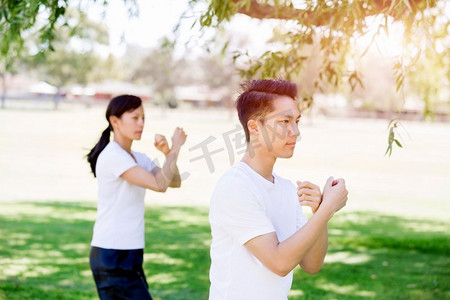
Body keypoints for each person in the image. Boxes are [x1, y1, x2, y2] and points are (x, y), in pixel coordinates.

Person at [208, 79, 348, 300]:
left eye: (297, 121)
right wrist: (327, 209)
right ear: (254, 127)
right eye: (285, 121)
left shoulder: (285, 188)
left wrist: (319, 212)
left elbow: (312, 265)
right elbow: (279, 262)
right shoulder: (236, 187)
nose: (295, 132)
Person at [86, 95, 187, 299]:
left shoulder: (138, 158)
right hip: (112, 253)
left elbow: (173, 182)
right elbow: (159, 184)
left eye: (143, 118)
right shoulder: (113, 156)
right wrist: (176, 147)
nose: (141, 123)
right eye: (134, 118)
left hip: (129, 251)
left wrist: (169, 153)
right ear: (115, 121)